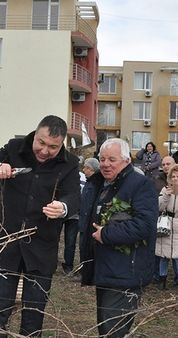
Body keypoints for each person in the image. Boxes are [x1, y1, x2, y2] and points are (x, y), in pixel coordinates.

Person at [0, 115, 81, 337]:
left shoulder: (69, 163)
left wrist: (63, 207)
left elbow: (74, 196)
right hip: (6, 245)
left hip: (42, 249)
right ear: (35, 133)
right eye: (41, 143)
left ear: (61, 144)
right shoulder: (15, 148)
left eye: (53, 147)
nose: (45, 151)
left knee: (34, 315)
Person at [80, 138, 157, 338]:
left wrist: (106, 234)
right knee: (105, 327)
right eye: (102, 159)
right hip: (104, 268)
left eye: (112, 159)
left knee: (113, 331)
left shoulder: (141, 185)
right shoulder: (97, 183)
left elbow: (145, 225)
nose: (105, 164)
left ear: (126, 161)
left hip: (126, 271)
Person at [156, 164, 178, 289]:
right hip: (166, 224)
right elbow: (158, 207)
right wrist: (166, 196)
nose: (175, 178)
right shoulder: (165, 190)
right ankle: (162, 279)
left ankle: (177, 279)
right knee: (163, 255)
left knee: (177, 256)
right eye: (173, 176)